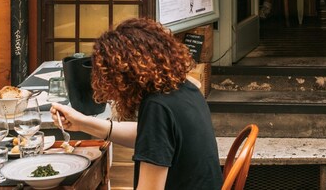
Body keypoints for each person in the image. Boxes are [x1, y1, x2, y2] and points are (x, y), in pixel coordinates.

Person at [51, 18, 222, 190]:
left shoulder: (157, 106)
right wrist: (81, 122)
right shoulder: (183, 87)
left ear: (125, 74)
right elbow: (151, 137)